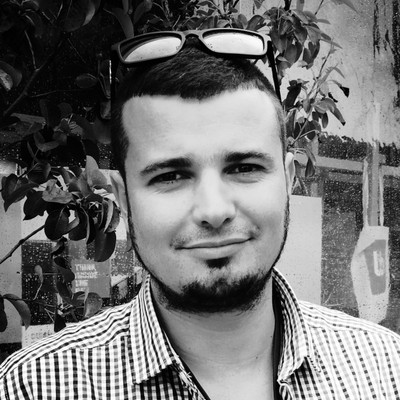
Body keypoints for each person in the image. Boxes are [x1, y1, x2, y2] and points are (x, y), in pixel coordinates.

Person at [1, 28, 400, 400]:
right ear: (122, 197)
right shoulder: (31, 386)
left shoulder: (385, 369)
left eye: (244, 168)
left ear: (288, 180)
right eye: (170, 176)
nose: (214, 211)